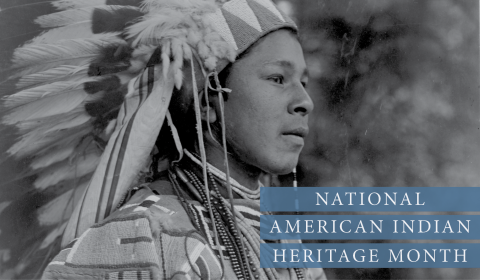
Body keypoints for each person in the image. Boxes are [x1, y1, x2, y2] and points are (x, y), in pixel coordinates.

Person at [2, 0, 326, 279]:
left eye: (304, 82)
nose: (304, 102)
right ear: (207, 102)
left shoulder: (290, 246)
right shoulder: (140, 237)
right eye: (277, 78)